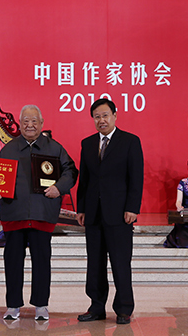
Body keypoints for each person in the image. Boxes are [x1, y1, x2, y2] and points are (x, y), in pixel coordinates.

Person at [0, 105, 78, 321]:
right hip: (14, 214)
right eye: (26, 121)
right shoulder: (8, 149)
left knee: (42, 261)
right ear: (20, 124)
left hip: (42, 213)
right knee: (12, 262)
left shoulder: (54, 148)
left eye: (34, 121)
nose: (30, 125)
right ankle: (12, 305)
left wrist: (59, 188)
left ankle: (41, 305)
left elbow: (71, 171)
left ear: (42, 123)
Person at [76, 98, 143, 325]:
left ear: (115, 115)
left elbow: (136, 177)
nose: (101, 120)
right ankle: (96, 307)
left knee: (120, 262)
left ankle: (124, 308)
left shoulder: (130, 141)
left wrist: (132, 207)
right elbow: (84, 180)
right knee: (94, 264)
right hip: (93, 214)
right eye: (97, 117)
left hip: (120, 214)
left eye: (105, 115)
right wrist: (81, 208)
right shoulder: (87, 143)